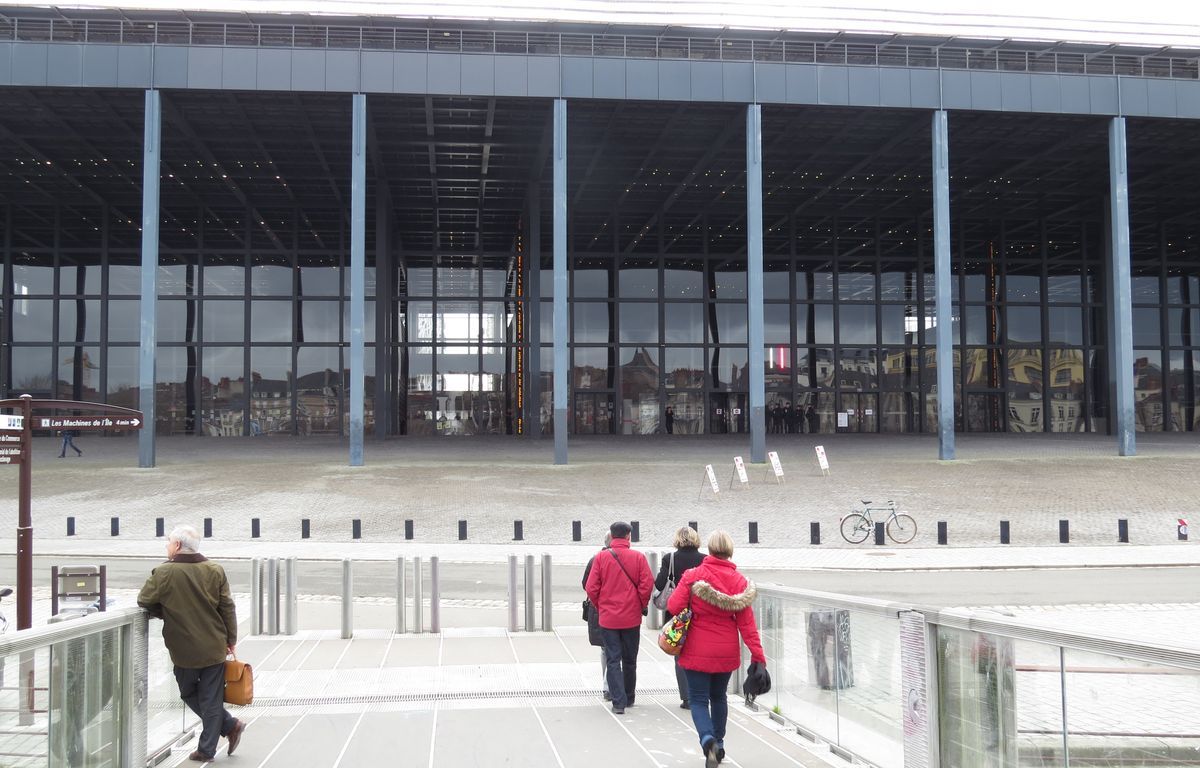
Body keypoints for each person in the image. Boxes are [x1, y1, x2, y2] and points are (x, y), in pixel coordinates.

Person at [138, 525, 246, 763]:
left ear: (177, 546)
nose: (167, 546)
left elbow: (144, 600)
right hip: (213, 645)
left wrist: (166, 611)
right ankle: (228, 726)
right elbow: (226, 606)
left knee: (188, 692)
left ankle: (210, 746)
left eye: (168, 542)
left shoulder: (164, 573)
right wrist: (231, 639)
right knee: (212, 697)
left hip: (182, 648)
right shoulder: (214, 570)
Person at [667, 530, 766, 768]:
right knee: (719, 697)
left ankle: (707, 738)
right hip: (726, 650)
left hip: (695, 648)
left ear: (709, 550)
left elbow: (673, 605)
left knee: (699, 699)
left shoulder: (693, 575)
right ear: (730, 551)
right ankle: (719, 743)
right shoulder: (740, 582)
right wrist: (758, 655)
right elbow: (747, 625)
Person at [584, 521, 653, 715]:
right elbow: (647, 584)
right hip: (631, 618)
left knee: (613, 659)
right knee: (630, 659)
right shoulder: (638, 558)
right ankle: (629, 696)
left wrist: (601, 605)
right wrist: (640, 604)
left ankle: (618, 701)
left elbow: (591, 587)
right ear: (629, 536)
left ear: (612, 536)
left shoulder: (601, 558)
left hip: (608, 619)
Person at [655, 526, 705, 709]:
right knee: (699, 652)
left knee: (680, 654)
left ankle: (687, 697)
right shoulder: (704, 560)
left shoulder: (671, 559)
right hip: (700, 612)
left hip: (677, 614)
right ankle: (699, 693)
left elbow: (660, 583)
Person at [581, 532, 613, 700]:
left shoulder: (595, 559)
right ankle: (609, 686)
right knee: (614, 650)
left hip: (601, 611)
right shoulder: (599, 559)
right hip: (618, 611)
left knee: (606, 649)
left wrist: (597, 602)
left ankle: (607, 685)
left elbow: (586, 585)